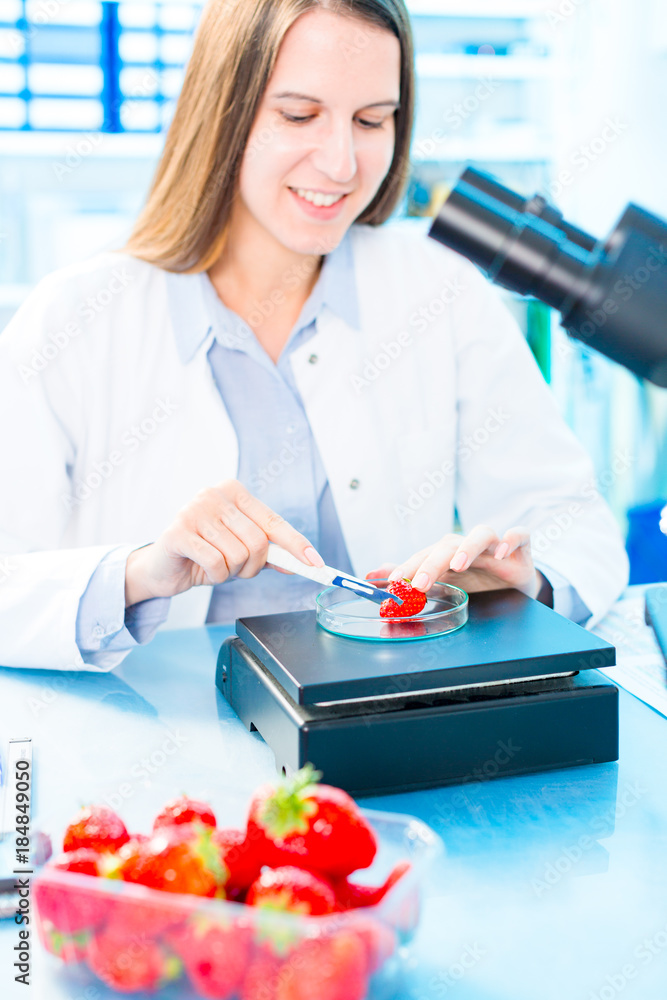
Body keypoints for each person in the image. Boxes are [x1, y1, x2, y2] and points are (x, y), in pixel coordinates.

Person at [0, 0, 628, 672]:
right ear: (223, 110)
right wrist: (140, 574)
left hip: (387, 736)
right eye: (298, 115)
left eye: (371, 121)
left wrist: (524, 584)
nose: (340, 164)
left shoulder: (439, 291)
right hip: (155, 748)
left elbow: (575, 524)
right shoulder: (76, 316)